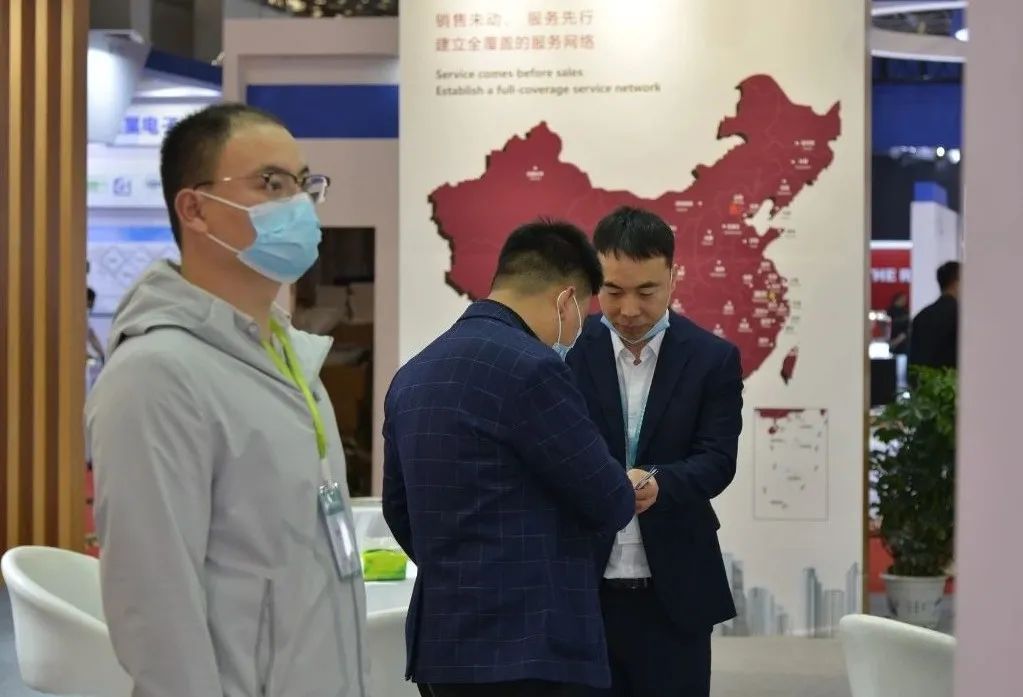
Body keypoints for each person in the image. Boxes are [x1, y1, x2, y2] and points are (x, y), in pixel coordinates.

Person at [86, 103, 370, 697]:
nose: (298, 204)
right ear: (194, 209)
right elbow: (155, 609)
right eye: (271, 183)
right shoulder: (157, 375)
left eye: (304, 184)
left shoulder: (289, 356)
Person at [382, 220, 637, 697]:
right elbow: (607, 499)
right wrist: (628, 486)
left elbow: (398, 508)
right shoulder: (535, 369)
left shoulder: (413, 374)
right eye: (583, 314)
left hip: (441, 645)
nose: (579, 329)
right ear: (566, 300)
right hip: (529, 645)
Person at [565, 207, 743, 697]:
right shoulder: (564, 355)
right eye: (612, 291)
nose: (628, 309)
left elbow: (717, 459)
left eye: (646, 292)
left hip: (675, 592)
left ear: (672, 278)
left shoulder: (711, 359)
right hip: (583, 589)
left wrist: (660, 482)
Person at [909, 261, 960, 372]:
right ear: (956, 283)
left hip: (925, 380)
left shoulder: (922, 316)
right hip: (952, 380)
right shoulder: (960, 316)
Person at [887, 291, 910, 389]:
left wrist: (899, 339)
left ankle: (901, 387)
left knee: (901, 370)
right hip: (891, 345)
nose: (905, 301)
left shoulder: (905, 313)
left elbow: (907, 329)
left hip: (902, 346)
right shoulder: (889, 312)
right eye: (903, 299)